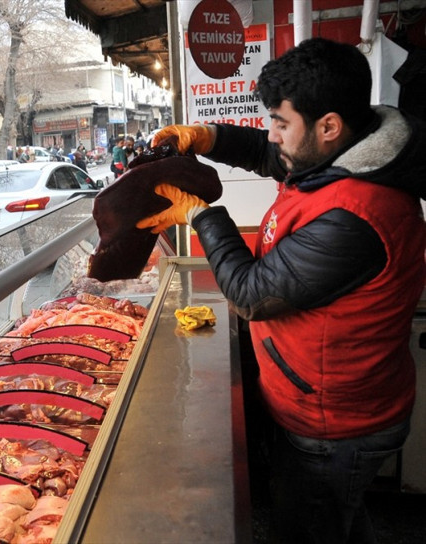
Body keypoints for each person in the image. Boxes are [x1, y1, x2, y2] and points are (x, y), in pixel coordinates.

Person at [144, 38, 425, 543]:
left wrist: (202, 216)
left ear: (329, 126)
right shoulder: (343, 155)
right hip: (323, 401)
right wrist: (207, 136)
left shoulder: (356, 215)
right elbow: (271, 155)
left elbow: (250, 294)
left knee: (311, 528)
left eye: (279, 121)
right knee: (339, 519)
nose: (271, 134)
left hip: (334, 425)